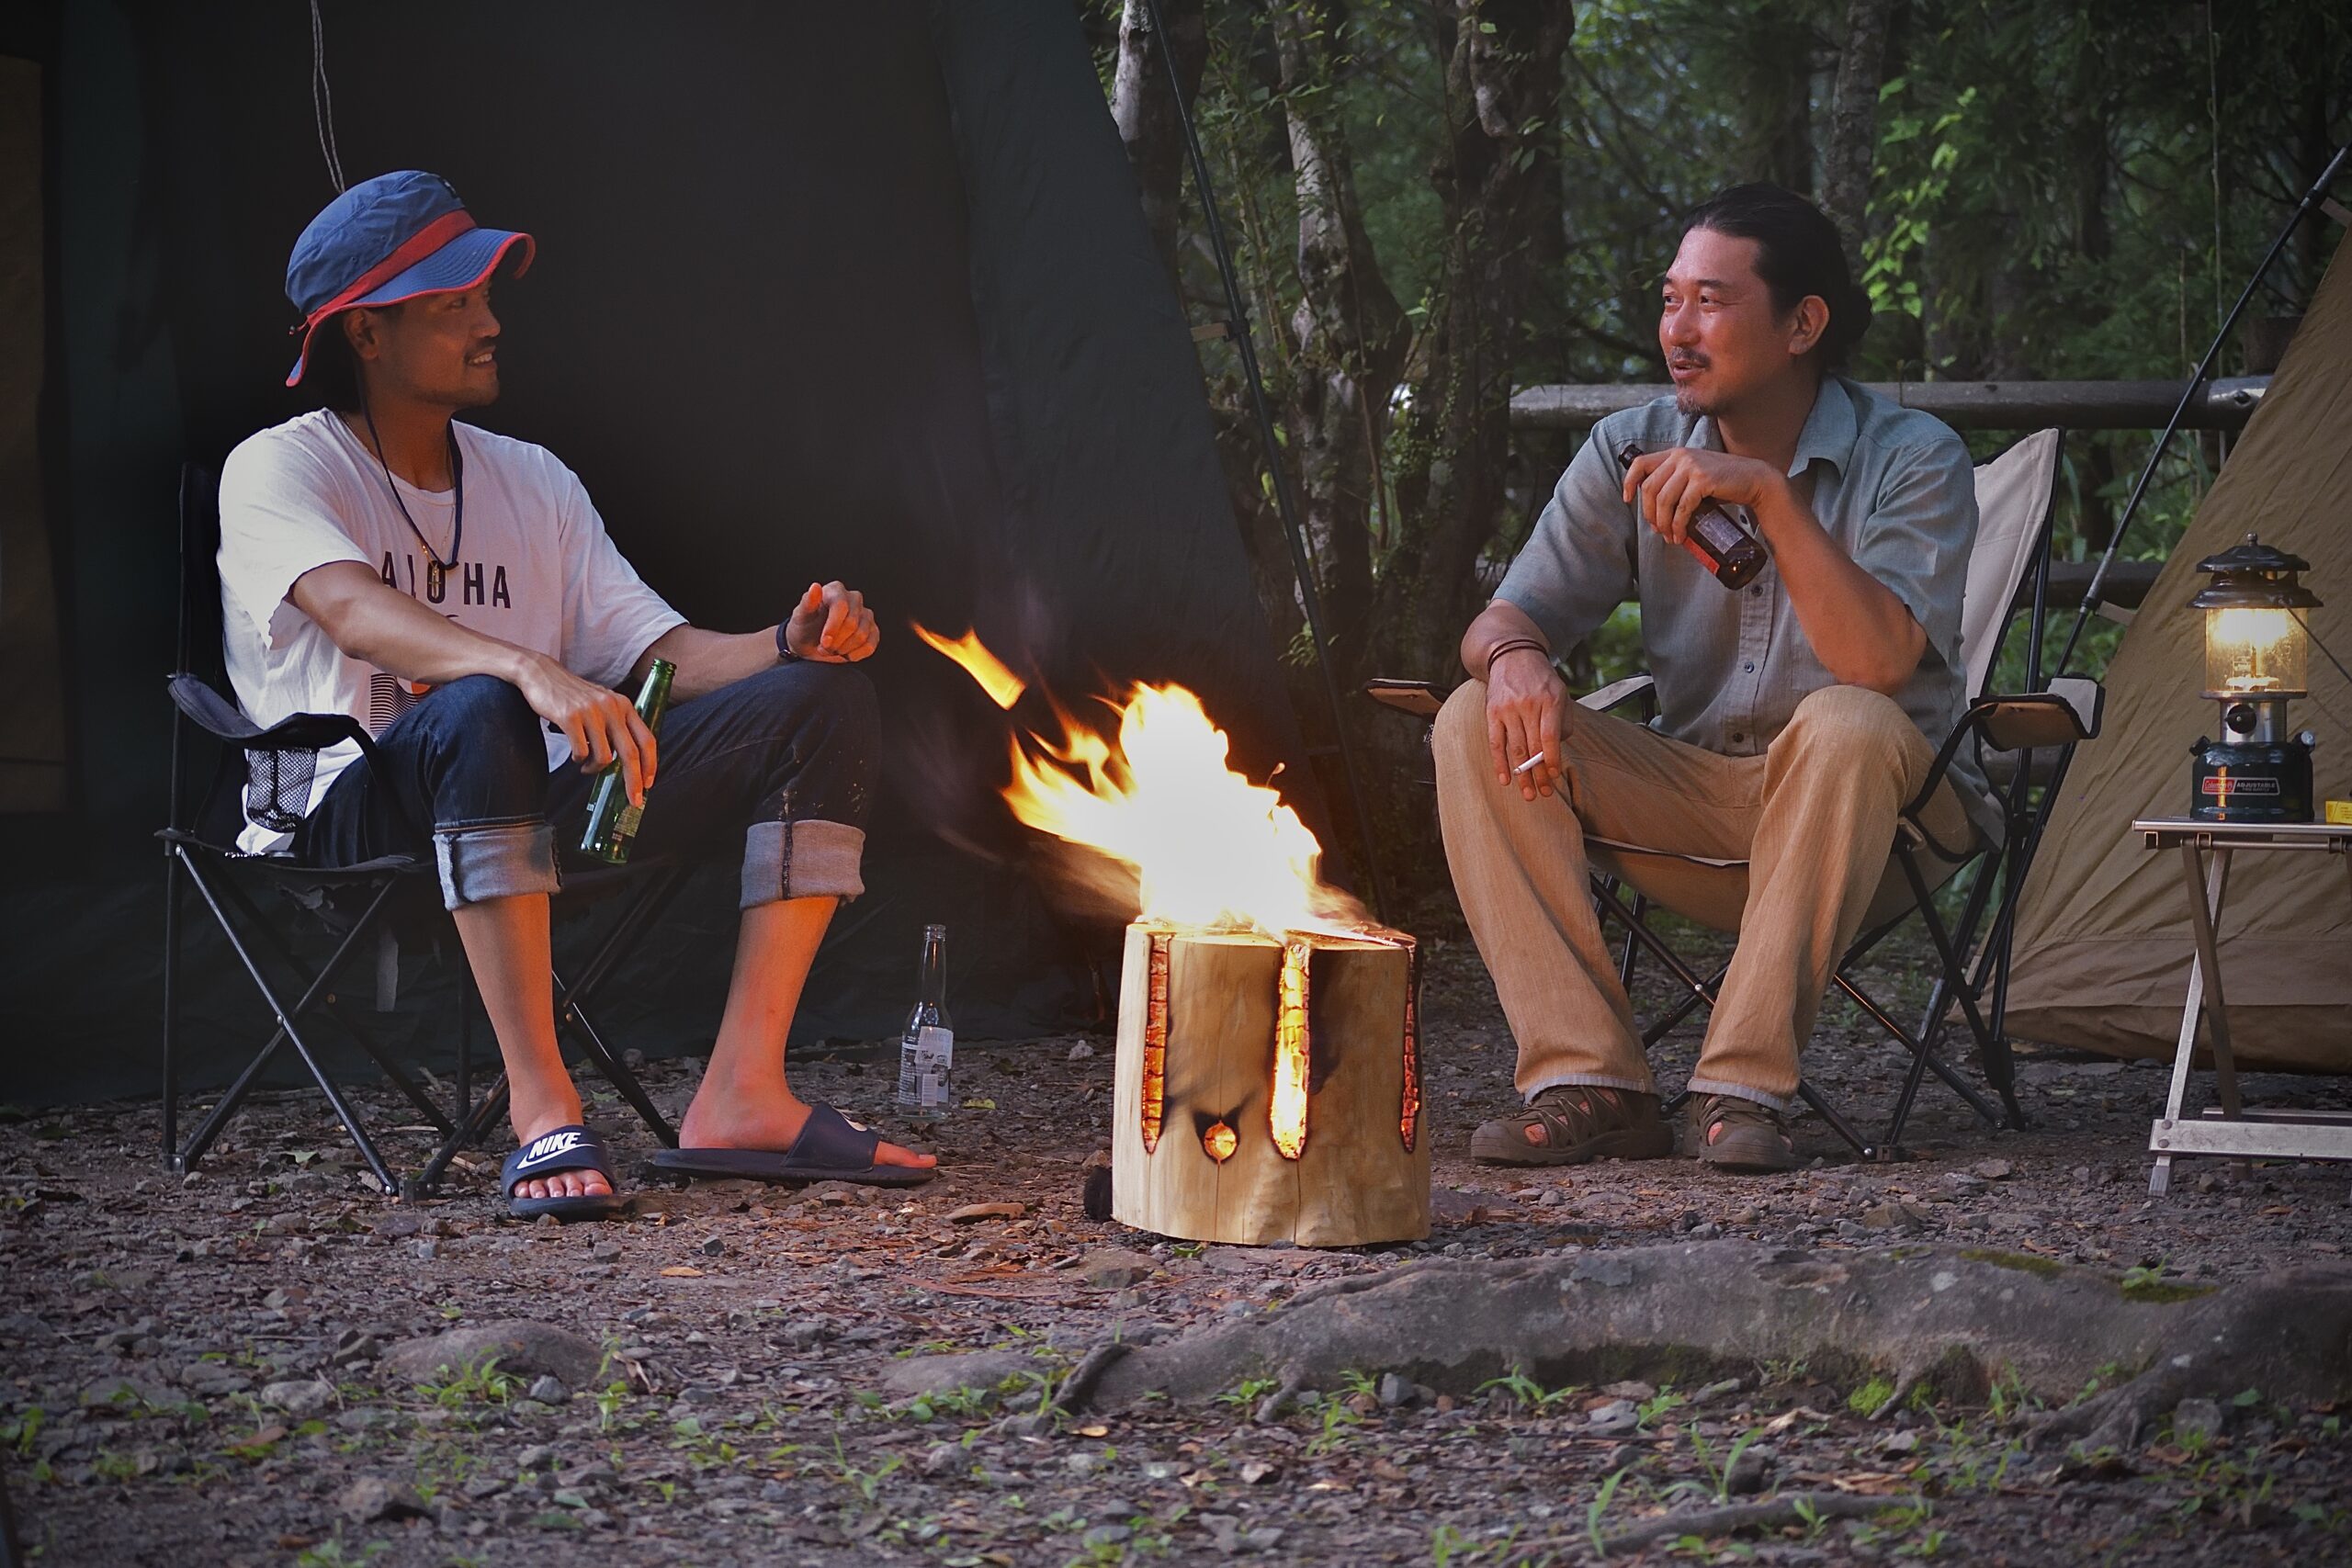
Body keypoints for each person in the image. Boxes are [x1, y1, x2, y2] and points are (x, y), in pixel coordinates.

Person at [219, 170, 935, 1219]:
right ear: (366, 334)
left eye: (486, 299)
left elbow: (659, 655)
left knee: (822, 702)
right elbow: (350, 610)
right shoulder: (280, 468)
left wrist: (787, 643)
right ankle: (541, 1099)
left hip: (538, 813)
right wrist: (523, 667)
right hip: (349, 815)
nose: (489, 323)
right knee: (476, 705)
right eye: (452, 305)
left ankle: (743, 1093)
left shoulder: (534, 480)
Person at [1438, 183, 1994, 1175]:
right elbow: (1505, 616)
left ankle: (1739, 1088)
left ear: (1801, 324)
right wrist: (1519, 659)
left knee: (1847, 722)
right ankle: (1590, 1080)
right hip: (1694, 798)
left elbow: (1874, 665)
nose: (1677, 331)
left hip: (1874, 815)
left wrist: (1774, 504)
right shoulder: (1630, 447)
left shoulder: (1911, 458)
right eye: (1668, 300)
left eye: (1710, 301)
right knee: (1472, 712)